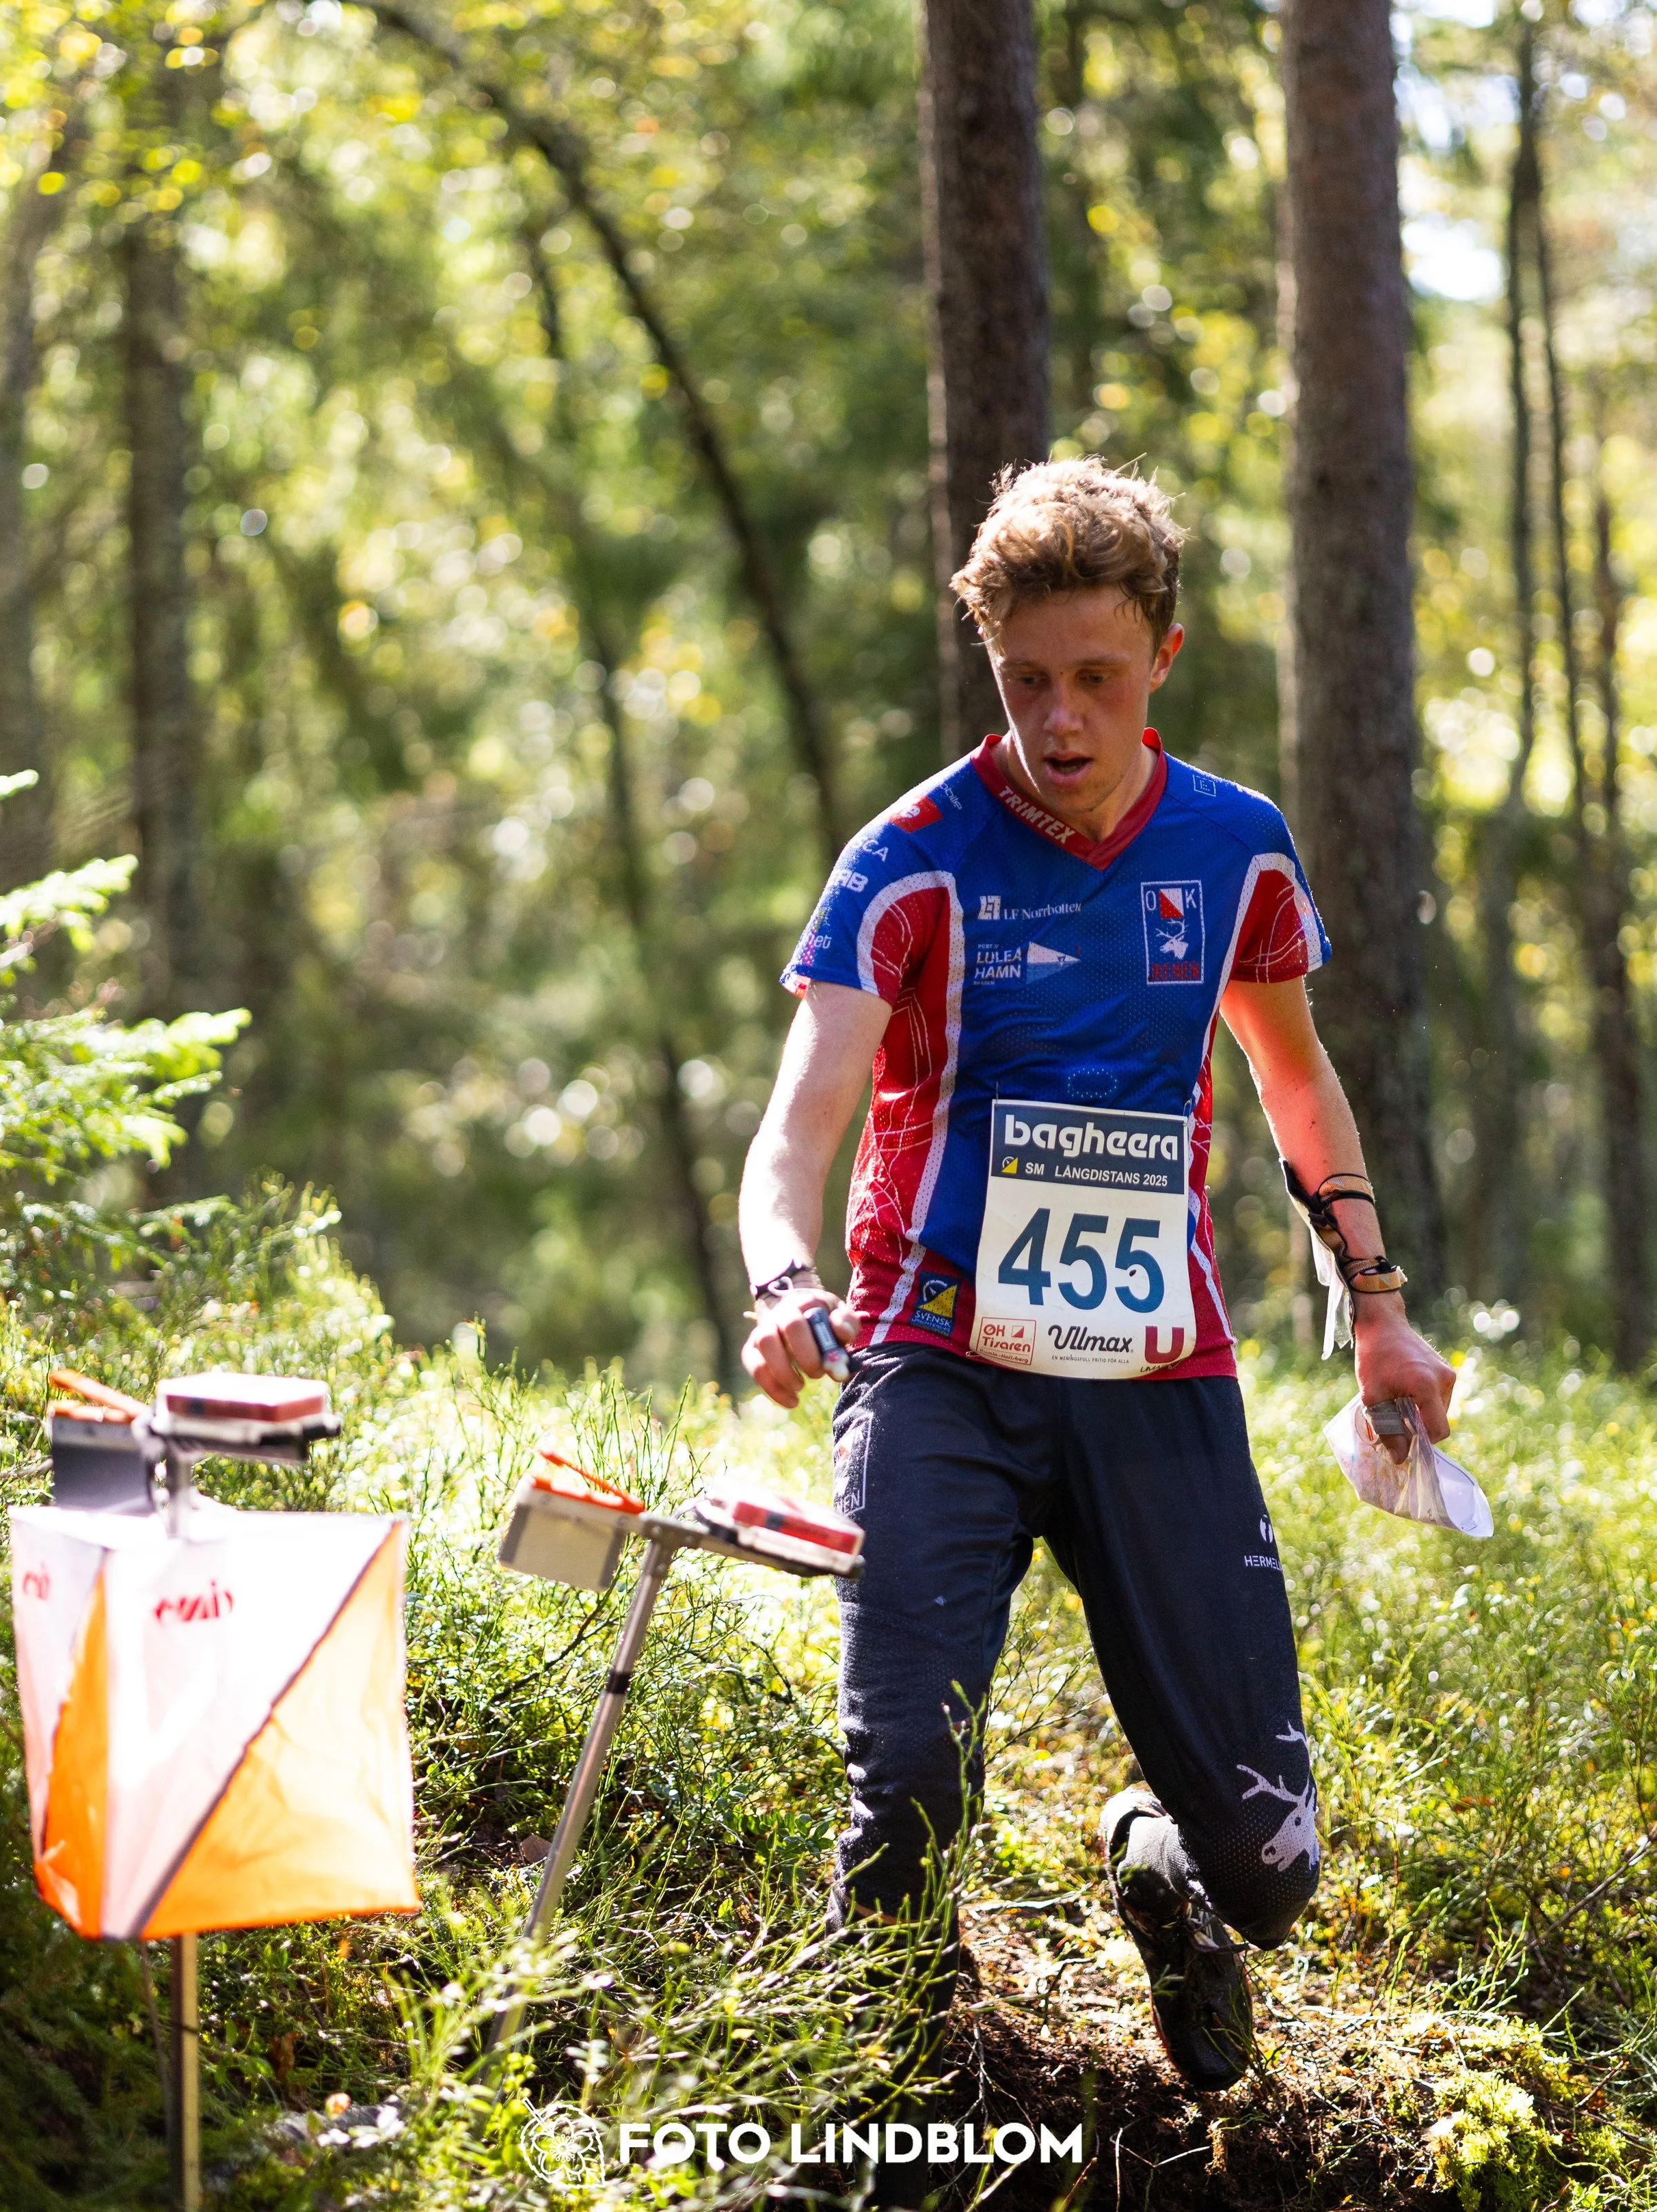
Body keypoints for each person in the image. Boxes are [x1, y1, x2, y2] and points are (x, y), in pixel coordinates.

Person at [737, 457, 1455, 2096]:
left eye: (1097, 681)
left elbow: (1292, 1082)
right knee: (906, 1773)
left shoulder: (1231, 851)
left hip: (1152, 1371)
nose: (1061, 720)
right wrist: (784, 1279)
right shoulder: (907, 856)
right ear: (988, 666)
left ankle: (1168, 1857)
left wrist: (1381, 1307)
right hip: (939, 1362)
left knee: (1273, 1862)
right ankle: (884, 2094)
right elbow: (790, 1138)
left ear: (1161, 664)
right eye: (1025, 684)